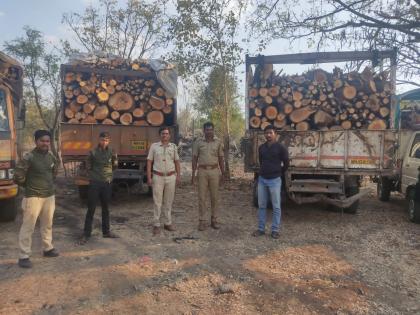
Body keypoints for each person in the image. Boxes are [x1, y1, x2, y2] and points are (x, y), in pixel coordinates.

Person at [14, 130, 60, 268]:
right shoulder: (29, 157)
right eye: (42, 141)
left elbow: (54, 173)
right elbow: (18, 176)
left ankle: (48, 248)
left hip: (49, 196)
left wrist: (48, 186)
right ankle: (24, 256)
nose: (45, 143)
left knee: (47, 224)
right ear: (36, 141)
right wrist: (28, 186)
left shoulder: (51, 157)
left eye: (47, 141)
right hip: (33, 197)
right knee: (28, 227)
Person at [80, 132, 118, 244]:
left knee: (106, 209)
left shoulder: (112, 152)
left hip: (106, 183)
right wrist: (93, 175)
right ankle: (86, 234)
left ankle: (106, 232)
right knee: (91, 209)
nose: (104, 142)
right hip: (95, 183)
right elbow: (87, 165)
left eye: (106, 140)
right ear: (99, 140)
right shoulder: (93, 152)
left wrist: (108, 176)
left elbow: (115, 165)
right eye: (102, 140)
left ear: (109, 141)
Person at [253, 124, 289, 239]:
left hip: (275, 180)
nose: (268, 135)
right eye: (266, 133)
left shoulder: (281, 148)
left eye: (271, 133)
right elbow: (261, 161)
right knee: (262, 205)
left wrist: (278, 172)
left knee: (276, 206)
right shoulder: (261, 148)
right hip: (262, 179)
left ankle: (275, 230)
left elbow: (286, 163)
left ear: (275, 134)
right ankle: (261, 229)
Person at [147, 127, 181, 236]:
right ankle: (156, 225)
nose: (165, 135)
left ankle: (167, 223)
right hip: (158, 176)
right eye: (163, 133)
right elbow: (149, 162)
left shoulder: (174, 147)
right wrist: (149, 177)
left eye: (166, 134)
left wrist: (178, 176)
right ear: (160, 135)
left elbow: (177, 162)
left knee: (168, 201)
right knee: (157, 202)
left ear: (169, 135)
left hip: (171, 177)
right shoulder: (154, 146)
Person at [192, 122, 225, 231]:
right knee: (202, 197)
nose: (209, 131)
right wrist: (193, 174)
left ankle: (214, 220)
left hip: (214, 171)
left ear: (213, 130)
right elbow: (194, 158)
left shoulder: (218, 142)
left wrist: (223, 174)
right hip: (202, 171)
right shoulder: (198, 142)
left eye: (211, 129)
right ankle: (202, 221)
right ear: (204, 130)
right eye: (207, 129)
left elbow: (221, 158)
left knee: (214, 197)